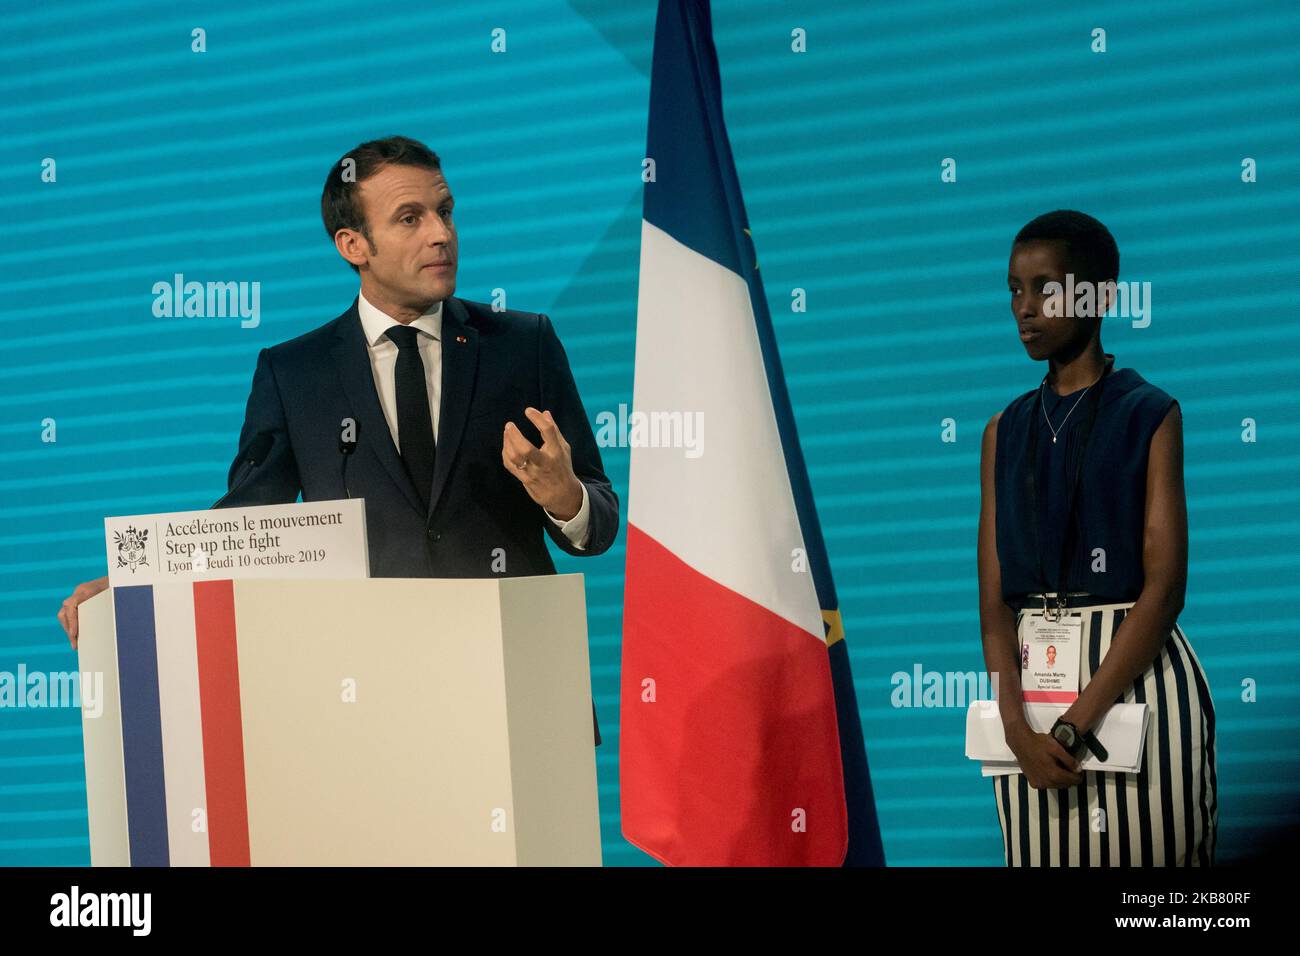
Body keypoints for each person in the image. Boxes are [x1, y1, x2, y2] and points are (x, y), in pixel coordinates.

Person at [56, 136, 619, 740]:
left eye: (445, 212)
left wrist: (564, 497)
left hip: (520, 694)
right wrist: (136, 582)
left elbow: (599, 522)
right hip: (369, 709)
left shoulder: (521, 344)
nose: (441, 234)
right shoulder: (295, 374)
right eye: (411, 218)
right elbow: (248, 524)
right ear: (353, 245)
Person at [977, 209, 1217, 865]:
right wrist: (1016, 727)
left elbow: (1164, 589)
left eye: (1045, 288)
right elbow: (996, 603)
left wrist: (1076, 721)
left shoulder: (1149, 413)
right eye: (1013, 291)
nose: (1024, 308)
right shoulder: (1003, 431)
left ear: (1099, 295)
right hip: (1030, 707)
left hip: (1136, 683)